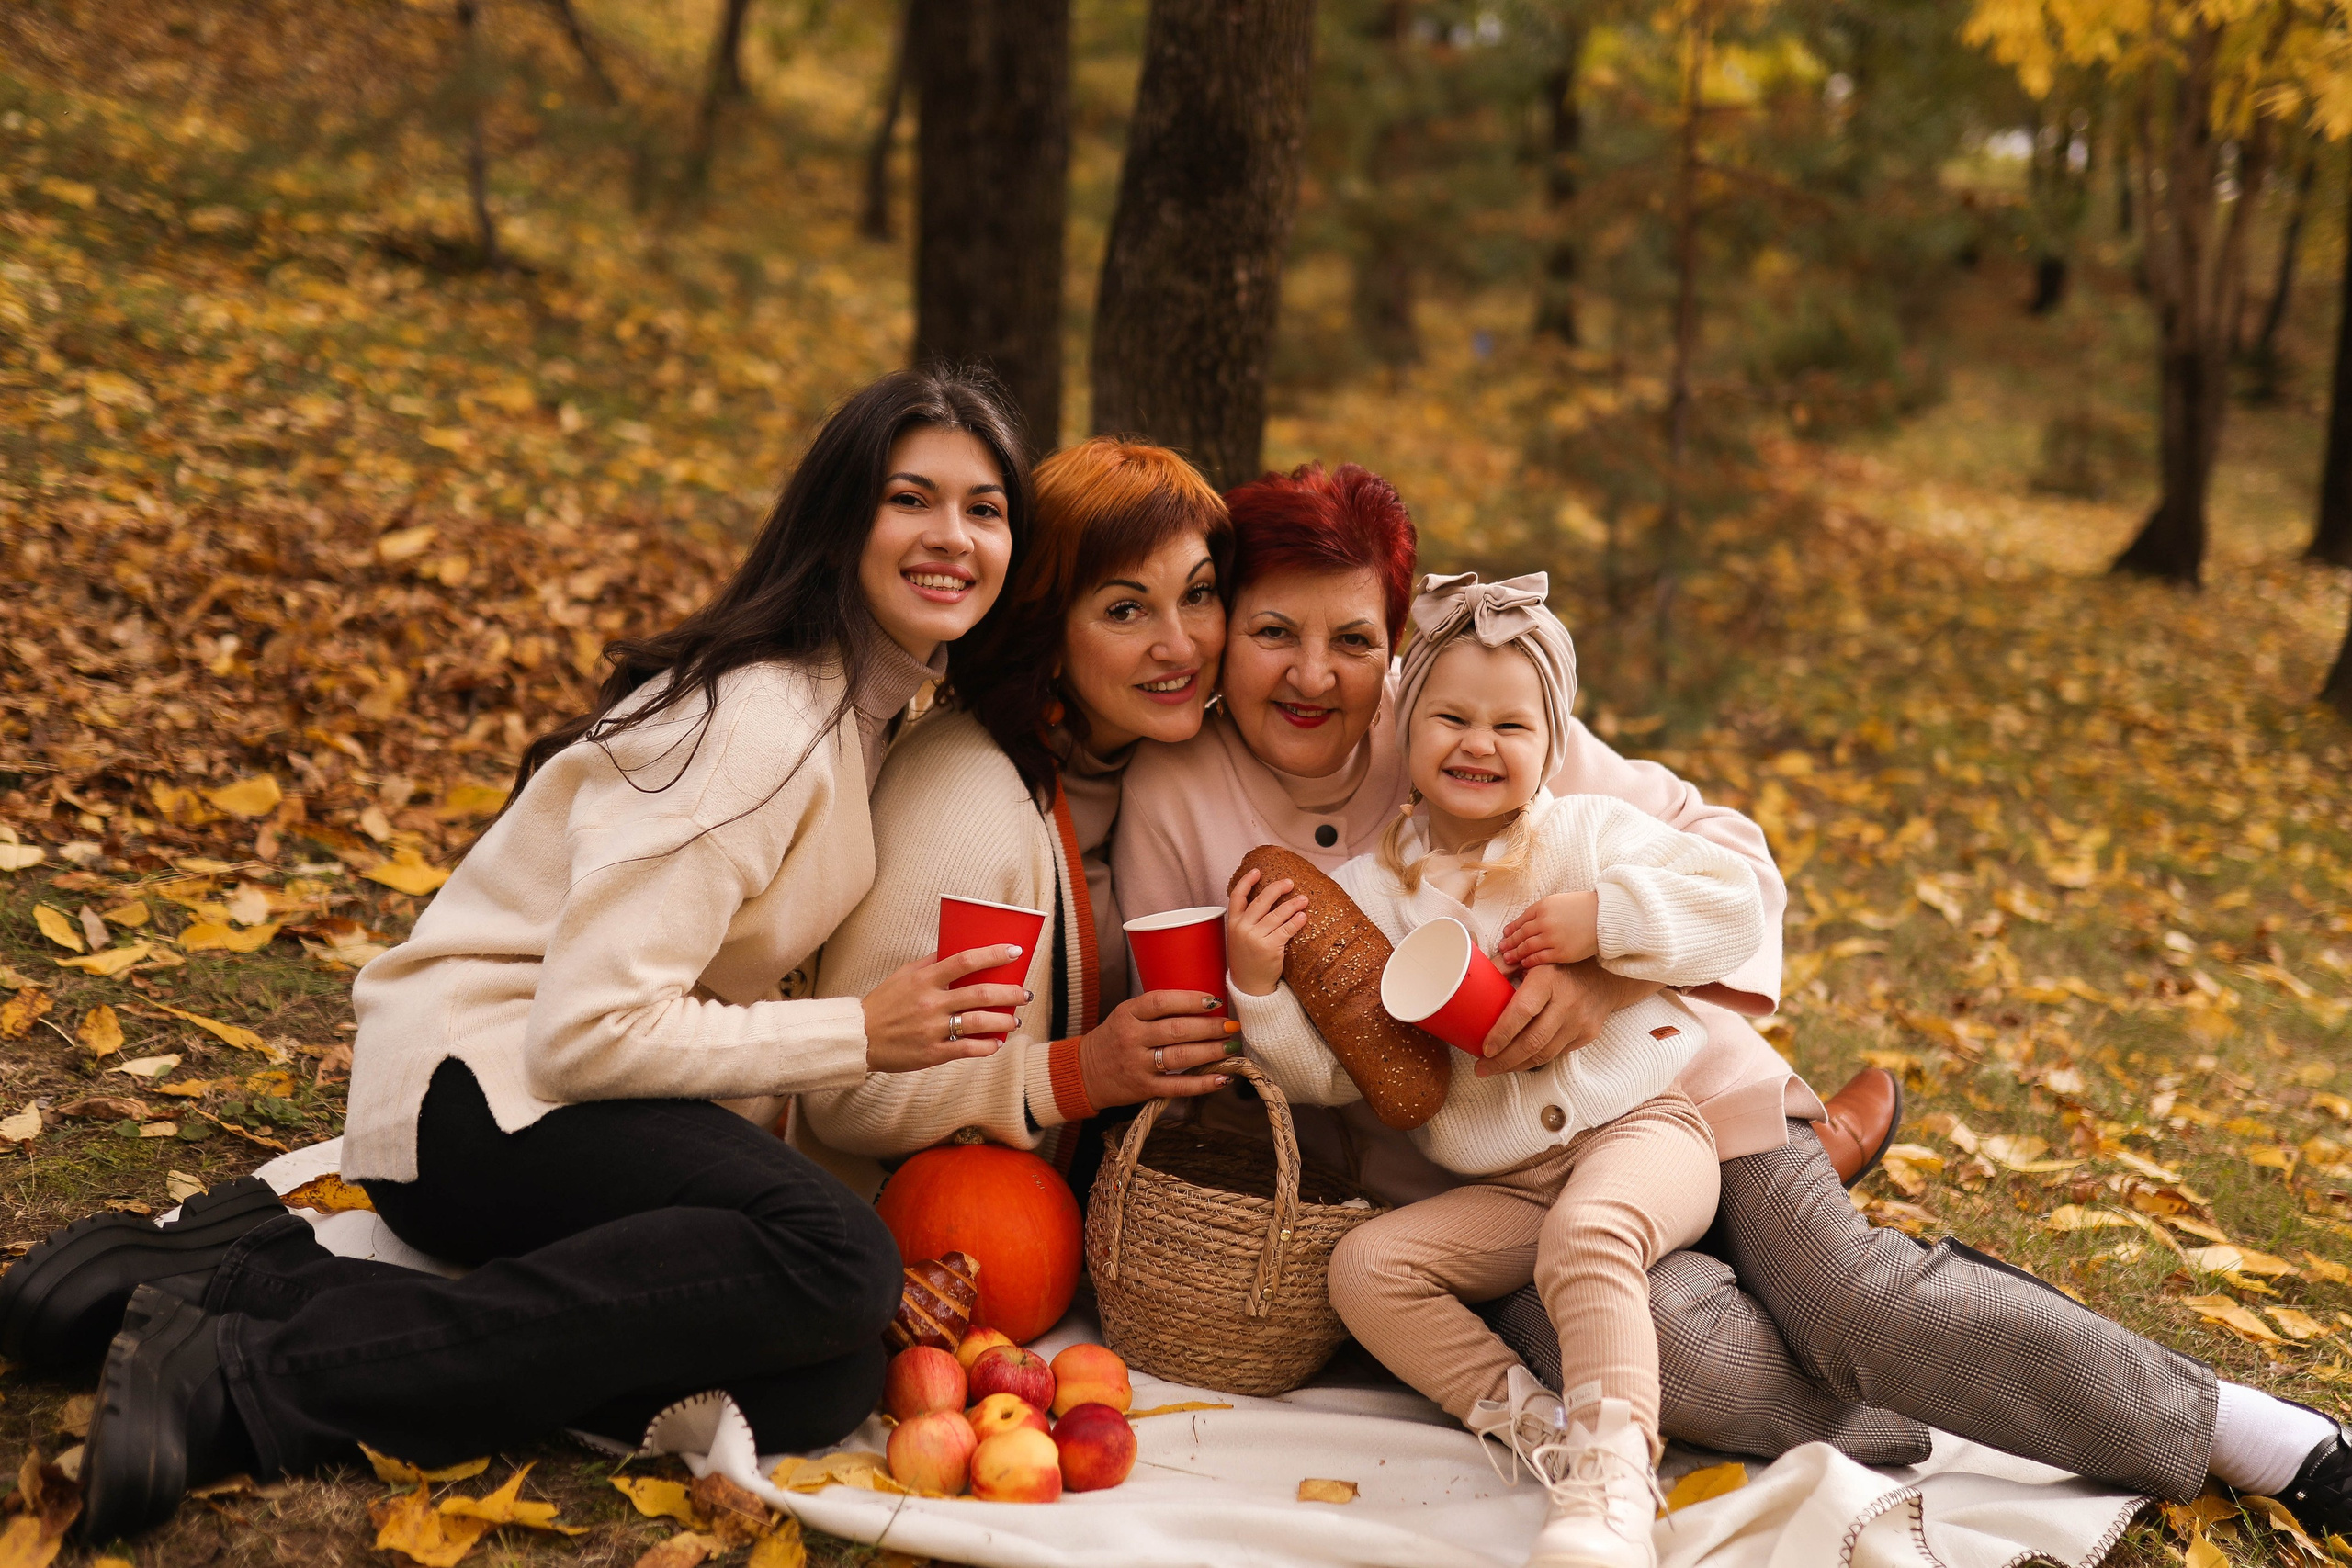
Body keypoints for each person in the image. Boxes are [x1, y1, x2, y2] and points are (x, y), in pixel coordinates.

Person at [1115, 461, 2352, 1518]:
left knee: (1850, 1294)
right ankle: (1952, 1351)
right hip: (1481, 1180)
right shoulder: (1181, 793)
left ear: (1396, 638)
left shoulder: (1460, 704)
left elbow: (1733, 869)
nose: (1313, 675)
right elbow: (1216, 1043)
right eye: (1273, 632)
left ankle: (2235, 1423)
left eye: (1353, 639)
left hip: (1664, 1083)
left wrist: (1600, 967)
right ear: (1228, 627)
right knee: (1696, 1358)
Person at [5, 368, 1046, 1541]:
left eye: (985, 508)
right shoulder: (767, 721)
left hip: (559, 1097)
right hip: (478, 1090)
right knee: (834, 1258)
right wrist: (859, 1034)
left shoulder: (862, 710)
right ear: (841, 515)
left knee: (820, 1380)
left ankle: (262, 1278)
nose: (952, 536)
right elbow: (588, 1028)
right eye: (913, 498)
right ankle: (250, 1377)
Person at [1227, 572, 1761, 1568]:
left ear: (1552, 745)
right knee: (1368, 1267)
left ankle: (1615, 1474)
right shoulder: (1368, 896)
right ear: (1406, 728)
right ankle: (1539, 1428)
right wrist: (1259, 988)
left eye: (1511, 727)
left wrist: (1610, 922)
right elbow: (1336, 1078)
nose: (1478, 744)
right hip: (1504, 1184)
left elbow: (1736, 907)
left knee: (1589, 1233)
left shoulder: (1587, 838)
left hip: (1641, 1132)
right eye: (1451, 717)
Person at [799, 435, 1241, 1185]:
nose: (1181, 644)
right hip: (930, 1248)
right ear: (1050, 635)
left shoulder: (1141, 753)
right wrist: (1078, 1073)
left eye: (1198, 594)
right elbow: (850, 1096)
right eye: (1127, 609)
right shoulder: (969, 800)